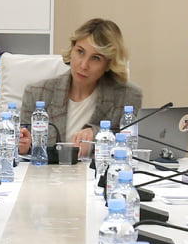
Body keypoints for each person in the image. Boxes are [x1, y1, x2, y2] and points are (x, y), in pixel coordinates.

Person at [17, 18, 144, 159]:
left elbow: (129, 147)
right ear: (72, 50)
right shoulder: (36, 93)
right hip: (46, 172)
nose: (83, 65)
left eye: (96, 58)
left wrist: (96, 134)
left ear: (108, 64)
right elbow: (23, 148)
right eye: (80, 52)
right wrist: (24, 146)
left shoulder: (127, 96)